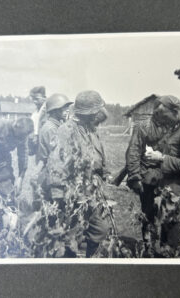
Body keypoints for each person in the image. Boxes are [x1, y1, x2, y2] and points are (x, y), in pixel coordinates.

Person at [46, 90, 110, 257]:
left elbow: (98, 153)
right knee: (74, 234)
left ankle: (91, 260)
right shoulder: (66, 131)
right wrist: (58, 195)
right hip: (73, 193)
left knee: (100, 229)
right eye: (95, 111)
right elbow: (57, 164)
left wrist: (105, 172)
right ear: (89, 112)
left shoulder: (90, 129)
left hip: (92, 191)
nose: (98, 114)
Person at [146, 95, 180, 249]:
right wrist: (156, 156)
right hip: (171, 195)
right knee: (166, 242)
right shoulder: (176, 128)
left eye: (166, 116)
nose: (165, 120)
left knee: (178, 244)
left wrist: (163, 158)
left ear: (176, 111)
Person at [125, 102, 168, 252]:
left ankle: (161, 245)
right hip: (147, 178)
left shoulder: (171, 127)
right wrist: (135, 177)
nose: (164, 117)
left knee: (164, 212)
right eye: (161, 114)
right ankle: (148, 243)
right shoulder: (143, 127)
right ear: (156, 113)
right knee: (148, 212)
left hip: (166, 177)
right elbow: (134, 152)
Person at [32, 93, 73, 207]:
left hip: (54, 171)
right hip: (50, 173)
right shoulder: (50, 128)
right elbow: (59, 154)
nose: (67, 111)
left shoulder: (56, 126)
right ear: (55, 111)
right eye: (64, 109)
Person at [28, 86, 47, 156]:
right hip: (36, 141)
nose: (34, 101)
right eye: (33, 99)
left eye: (37, 99)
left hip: (44, 141)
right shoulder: (35, 111)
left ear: (44, 97)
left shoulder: (48, 111)